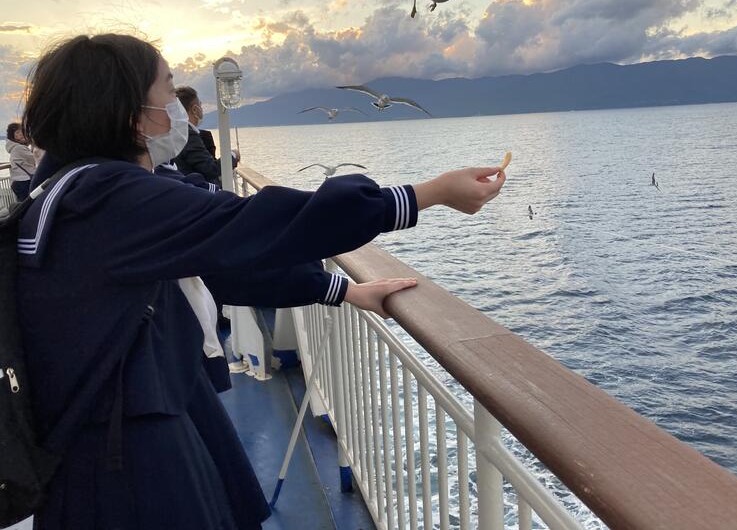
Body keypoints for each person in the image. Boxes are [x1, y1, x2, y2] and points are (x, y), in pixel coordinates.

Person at [18, 33, 506, 530]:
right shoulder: (107, 199)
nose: (179, 106)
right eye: (167, 88)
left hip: (131, 415)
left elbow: (220, 266)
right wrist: (426, 194)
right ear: (132, 115)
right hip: (123, 453)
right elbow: (259, 225)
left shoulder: (71, 189)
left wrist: (342, 290)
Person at [174, 86, 233, 186]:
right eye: (200, 105)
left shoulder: (175, 131)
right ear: (195, 109)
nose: (202, 109)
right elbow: (211, 169)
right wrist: (233, 156)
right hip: (195, 190)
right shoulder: (188, 134)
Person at [5, 121, 36, 200]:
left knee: (24, 203)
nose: (21, 134)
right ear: (12, 136)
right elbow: (35, 159)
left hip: (18, 182)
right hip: (23, 181)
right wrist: (34, 144)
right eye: (17, 132)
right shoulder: (19, 148)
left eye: (22, 131)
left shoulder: (15, 148)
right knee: (29, 204)